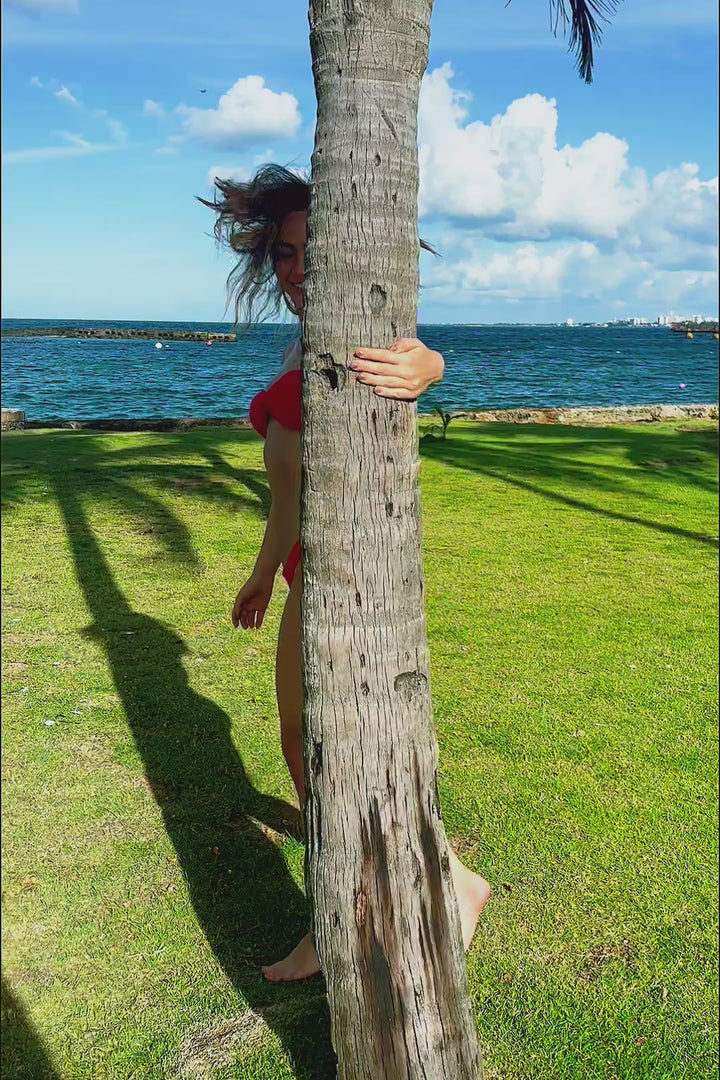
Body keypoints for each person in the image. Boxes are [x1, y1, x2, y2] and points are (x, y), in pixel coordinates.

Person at [204, 165, 491, 982]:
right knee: (300, 743)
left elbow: (416, 353)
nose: (295, 267)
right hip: (303, 578)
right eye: (284, 253)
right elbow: (286, 493)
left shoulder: (361, 324)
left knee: (336, 750)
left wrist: (428, 368)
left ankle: (393, 900)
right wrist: (262, 573)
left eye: (307, 248)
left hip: (354, 589)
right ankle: (398, 881)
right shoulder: (305, 343)